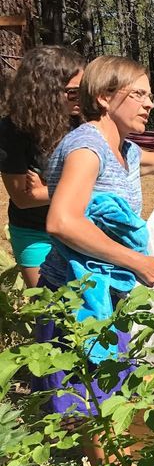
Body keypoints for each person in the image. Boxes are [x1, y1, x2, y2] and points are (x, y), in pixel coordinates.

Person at [37, 55, 154, 461]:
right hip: (75, 298)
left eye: (150, 95)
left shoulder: (126, 150)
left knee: (106, 392)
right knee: (82, 402)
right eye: (138, 94)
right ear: (103, 97)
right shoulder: (87, 148)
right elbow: (62, 221)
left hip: (105, 296)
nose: (149, 103)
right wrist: (136, 261)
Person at [0, 46, 85, 287]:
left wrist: (44, 191)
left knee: (87, 309)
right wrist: (76, 187)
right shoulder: (12, 130)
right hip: (35, 233)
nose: (82, 98)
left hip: (80, 227)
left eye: (84, 91)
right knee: (48, 310)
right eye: (73, 92)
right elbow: (24, 198)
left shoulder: (83, 122)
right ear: (46, 91)